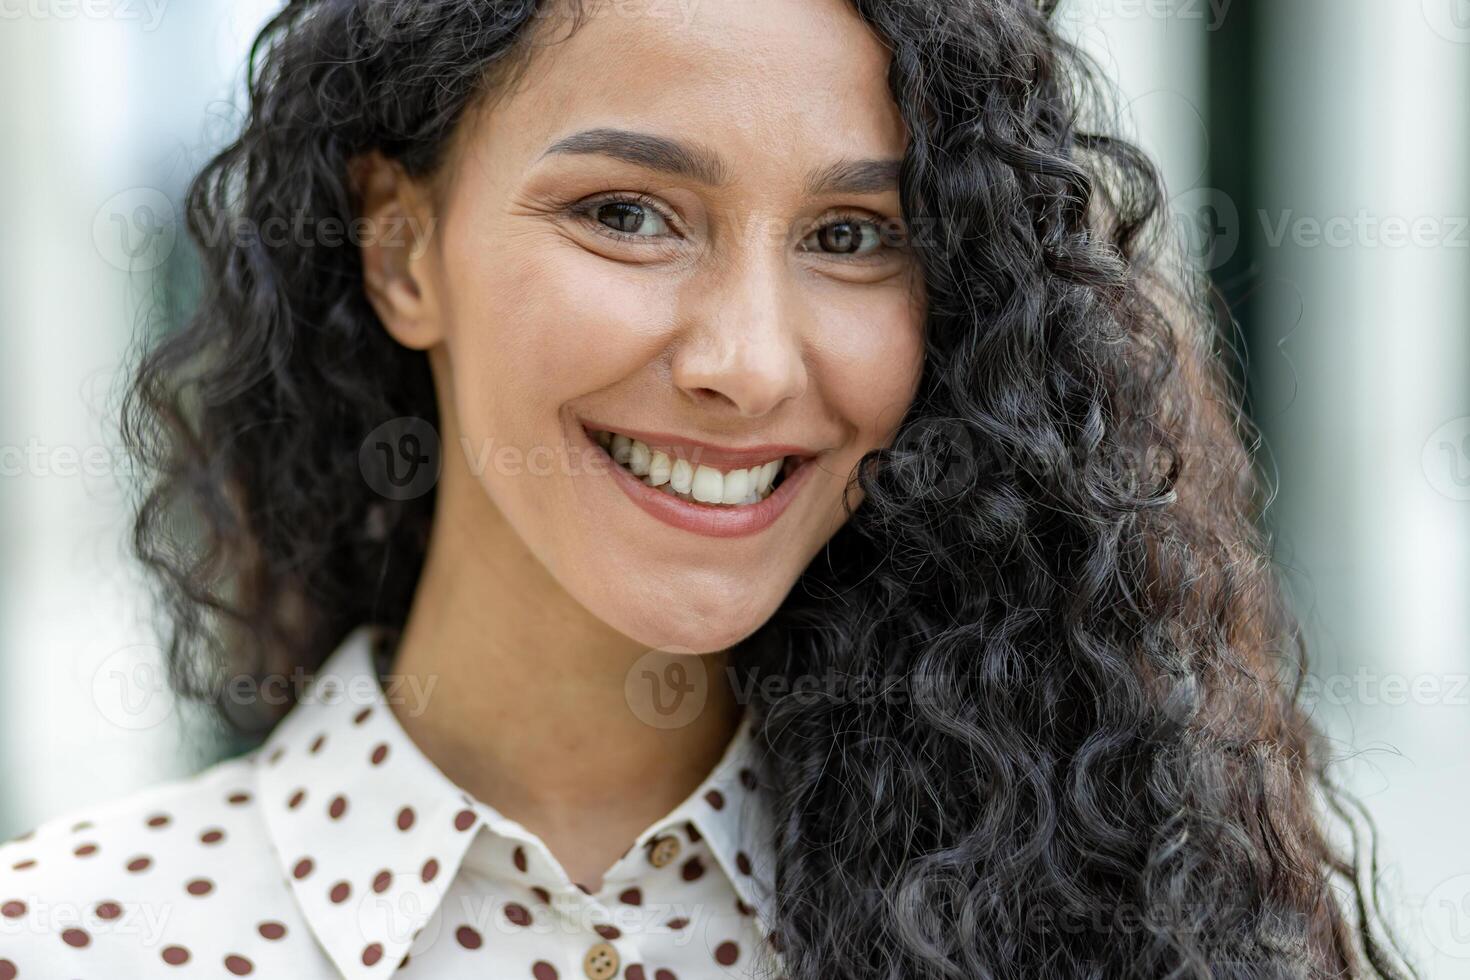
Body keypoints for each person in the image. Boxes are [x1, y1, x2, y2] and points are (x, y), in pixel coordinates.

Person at [0, 0, 1417, 977]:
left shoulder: (1115, 919)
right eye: (626, 214)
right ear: (402, 250)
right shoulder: (69, 939)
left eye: (853, 234)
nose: (745, 363)